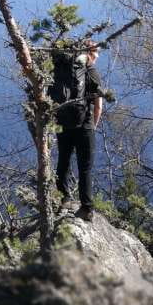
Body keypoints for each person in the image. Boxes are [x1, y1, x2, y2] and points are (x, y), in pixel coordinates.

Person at [53, 41, 104, 221]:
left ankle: (63, 200)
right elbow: (98, 106)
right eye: (96, 53)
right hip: (85, 125)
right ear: (89, 53)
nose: (97, 57)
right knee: (85, 168)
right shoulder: (91, 72)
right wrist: (93, 126)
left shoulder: (63, 70)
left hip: (63, 124)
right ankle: (86, 208)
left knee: (63, 162)